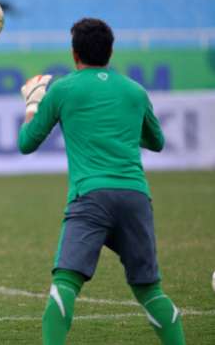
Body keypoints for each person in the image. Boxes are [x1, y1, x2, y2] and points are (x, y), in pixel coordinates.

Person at [17, 18, 185, 345]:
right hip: (135, 196)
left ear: (74, 52)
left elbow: (27, 142)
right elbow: (157, 141)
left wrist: (33, 103)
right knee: (150, 290)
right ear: (110, 51)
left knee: (65, 283)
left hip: (91, 196)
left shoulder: (64, 89)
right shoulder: (134, 91)